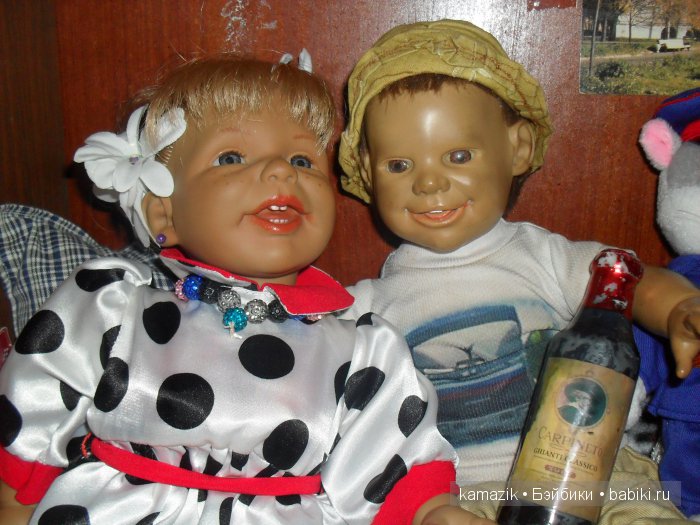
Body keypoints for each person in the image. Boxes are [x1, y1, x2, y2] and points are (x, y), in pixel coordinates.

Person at [0, 53, 494, 525]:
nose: (280, 170)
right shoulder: (114, 308)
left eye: (302, 159)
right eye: (232, 157)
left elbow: (397, 470)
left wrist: (433, 511)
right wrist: (14, 502)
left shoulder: (364, 352)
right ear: (162, 214)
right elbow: (33, 415)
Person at [337, 20, 700, 521]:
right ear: (367, 168)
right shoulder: (367, 307)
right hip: (466, 494)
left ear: (518, 147)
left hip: (596, 474)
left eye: (458, 156)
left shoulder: (543, 256)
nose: (428, 183)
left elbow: (627, 279)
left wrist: (680, 306)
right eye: (399, 166)